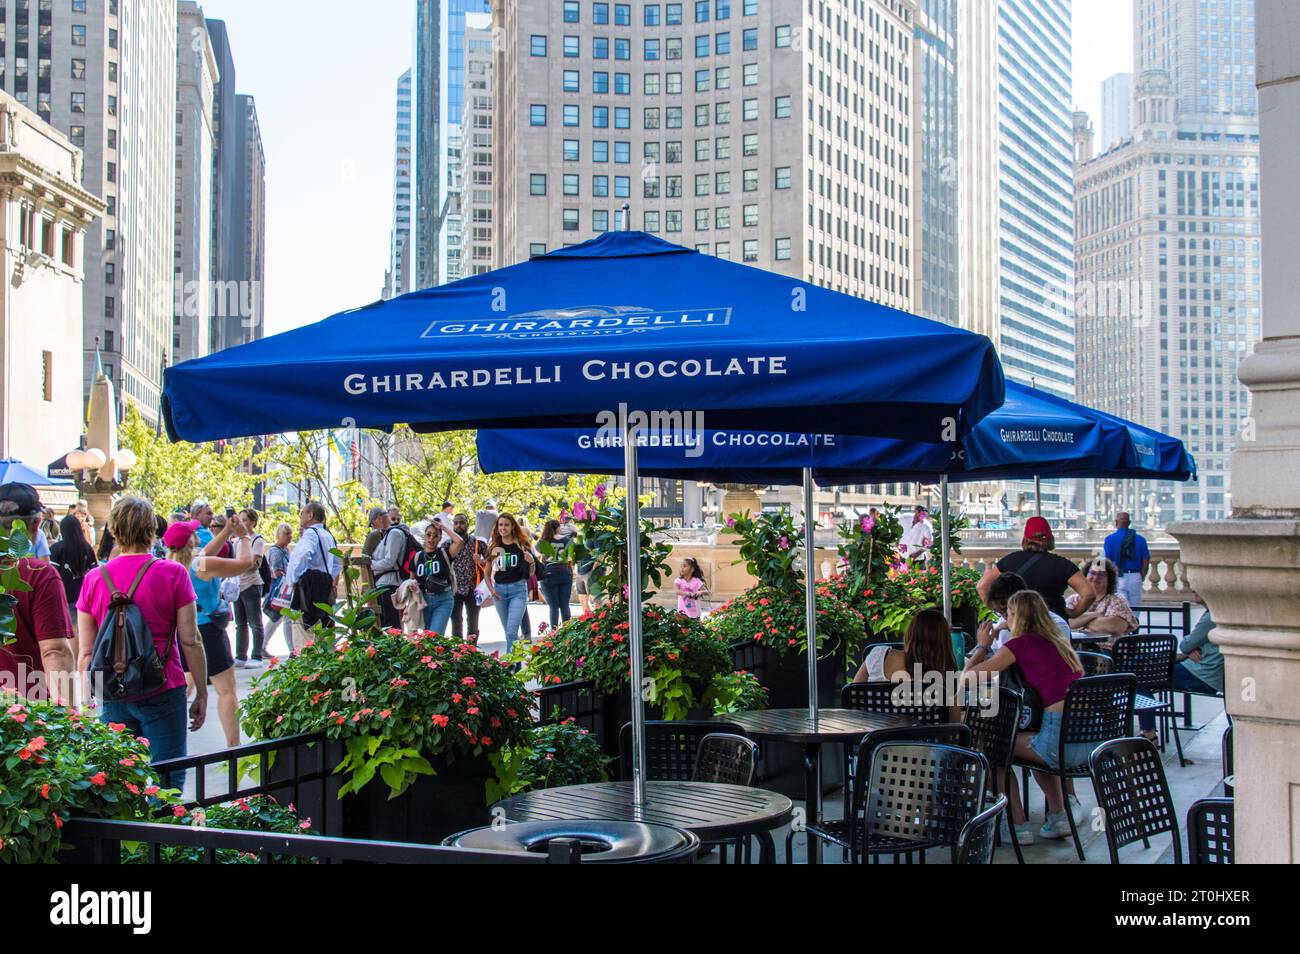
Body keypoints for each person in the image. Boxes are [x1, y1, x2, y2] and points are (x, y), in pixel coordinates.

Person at [76, 497, 208, 787]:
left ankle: (128, 832)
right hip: (163, 685)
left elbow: (86, 652)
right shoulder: (173, 573)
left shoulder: (94, 579)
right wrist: (201, 692)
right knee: (167, 784)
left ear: (113, 530)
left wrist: (87, 700)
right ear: (153, 531)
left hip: (113, 691)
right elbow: (191, 639)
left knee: (118, 781)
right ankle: (161, 831)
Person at [963, 590, 1089, 845]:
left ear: (1017, 616)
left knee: (993, 746)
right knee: (1026, 741)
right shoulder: (1059, 642)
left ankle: (1016, 825)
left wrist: (983, 644)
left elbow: (968, 678)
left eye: (1007, 614)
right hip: (1087, 742)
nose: (1004, 620)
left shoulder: (1020, 644)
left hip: (1057, 745)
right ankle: (1059, 816)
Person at [163, 518, 254, 748]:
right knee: (226, 690)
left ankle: (169, 740)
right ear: (191, 540)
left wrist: (225, 531)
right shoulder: (202, 565)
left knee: (183, 687)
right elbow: (245, 563)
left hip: (179, 631)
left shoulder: (170, 564)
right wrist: (243, 536)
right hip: (207, 632)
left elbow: (205, 552)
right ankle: (234, 746)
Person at [0, 484, 75, 702]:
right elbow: (55, 650)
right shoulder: (39, 574)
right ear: (36, 523)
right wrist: (69, 719)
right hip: (26, 711)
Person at [977, 516, 1095, 623]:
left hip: (1018, 622)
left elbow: (982, 586)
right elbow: (1089, 594)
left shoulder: (1009, 561)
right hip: (1053, 624)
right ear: (1050, 540)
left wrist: (1002, 612)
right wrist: (1074, 613)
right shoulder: (1063, 564)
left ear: (1025, 539)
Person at [854, 608, 962, 721]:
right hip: (925, 737)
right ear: (944, 642)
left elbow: (853, 697)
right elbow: (953, 724)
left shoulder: (879, 657)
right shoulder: (945, 673)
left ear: (910, 633)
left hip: (876, 736)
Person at [1136, 599, 1223, 740]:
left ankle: (1148, 733)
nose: (1193, 588)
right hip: (1205, 672)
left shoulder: (1212, 616)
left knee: (1139, 677)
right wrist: (1190, 650)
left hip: (1201, 675)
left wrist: (1189, 650)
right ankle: (1149, 731)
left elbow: (1186, 644)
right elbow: (1189, 646)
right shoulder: (1220, 611)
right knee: (1142, 672)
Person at [286, 501, 342, 647]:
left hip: (308, 592)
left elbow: (304, 555)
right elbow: (336, 563)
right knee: (324, 633)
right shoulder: (328, 535)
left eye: (302, 513)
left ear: (310, 515)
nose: (300, 517)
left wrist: (295, 579)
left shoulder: (310, 534)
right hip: (325, 589)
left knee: (305, 636)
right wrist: (331, 582)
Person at [980, 571, 1072, 649]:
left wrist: (982, 648)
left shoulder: (1057, 625)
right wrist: (985, 644)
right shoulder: (1001, 626)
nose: (1005, 617)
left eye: (1007, 611)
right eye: (999, 612)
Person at [486, 512, 535, 652]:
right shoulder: (495, 546)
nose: (503, 528)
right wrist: (492, 589)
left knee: (511, 631)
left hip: (518, 590)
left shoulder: (521, 545)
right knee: (508, 632)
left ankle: (510, 664)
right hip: (499, 593)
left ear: (513, 526)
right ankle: (516, 660)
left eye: (506, 525)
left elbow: (530, 573)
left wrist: (531, 562)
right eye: (500, 525)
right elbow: (486, 573)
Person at [1067, 557, 1138, 641]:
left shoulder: (1116, 600)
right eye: (1092, 573)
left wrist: (1080, 622)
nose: (1096, 577)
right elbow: (1066, 622)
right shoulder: (1073, 599)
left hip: (1106, 650)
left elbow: (1115, 627)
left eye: (1101, 574)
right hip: (1076, 648)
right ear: (1085, 575)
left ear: (1109, 579)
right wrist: (1095, 615)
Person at [411, 519, 463, 633]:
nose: (431, 538)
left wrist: (442, 527)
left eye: (435, 536)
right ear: (424, 536)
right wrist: (411, 586)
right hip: (423, 600)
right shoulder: (417, 556)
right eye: (428, 535)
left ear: (440, 538)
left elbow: (459, 541)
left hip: (443, 599)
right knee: (426, 638)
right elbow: (412, 579)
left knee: (435, 635)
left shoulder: (444, 553)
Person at [230, 509, 267, 667]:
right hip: (238, 584)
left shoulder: (256, 540)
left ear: (253, 522)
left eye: (245, 520)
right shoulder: (238, 540)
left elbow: (253, 563)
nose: (242, 523)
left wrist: (239, 565)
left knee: (255, 622)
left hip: (251, 584)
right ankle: (240, 655)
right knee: (241, 623)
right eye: (241, 520)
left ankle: (257, 655)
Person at [50, 513, 98, 622]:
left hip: (64, 597)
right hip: (85, 597)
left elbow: (52, 574)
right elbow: (95, 572)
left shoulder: (56, 548)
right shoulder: (87, 548)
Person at [367, 506, 408, 630]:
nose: (373, 527)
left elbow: (390, 561)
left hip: (389, 584)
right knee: (386, 623)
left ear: (379, 519)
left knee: (391, 625)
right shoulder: (388, 534)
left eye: (373, 524)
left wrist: (371, 564)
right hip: (384, 584)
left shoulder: (394, 533)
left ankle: (394, 648)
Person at [450, 512, 486, 642]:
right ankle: (458, 652)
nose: (459, 525)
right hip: (454, 589)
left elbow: (491, 562)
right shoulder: (448, 544)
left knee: (473, 621)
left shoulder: (478, 543)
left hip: (473, 587)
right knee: (456, 622)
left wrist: (481, 562)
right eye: (456, 523)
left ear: (467, 524)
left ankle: (471, 651)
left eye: (462, 522)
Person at [1103, 512, 1150, 608]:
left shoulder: (1109, 539)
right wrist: (1142, 576)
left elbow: (1107, 561)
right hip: (1135, 575)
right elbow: (1145, 560)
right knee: (1135, 607)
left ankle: (1123, 623)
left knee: (1121, 607)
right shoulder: (1141, 540)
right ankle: (1135, 622)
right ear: (1129, 523)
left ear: (1116, 522)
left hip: (1118, 576)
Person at [538, 519, 576, 629]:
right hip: (565, 573)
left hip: (549, 575)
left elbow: (534, 554)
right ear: (557, 528)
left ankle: (554, 633)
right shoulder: (567, 540)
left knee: (553, 606)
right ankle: (567, 632)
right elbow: (571, 557)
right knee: (565, 605)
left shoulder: (544, 541)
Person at [262, 522, 293, 654]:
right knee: (285, 619)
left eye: (290, 534)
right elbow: (276, 572)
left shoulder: (285, 550)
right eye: (286, 534)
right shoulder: (276, 552)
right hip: (280, 590)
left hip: (284, 589)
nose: (289, 537)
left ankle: (262, 646)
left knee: (277, 619)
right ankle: (292, 649)